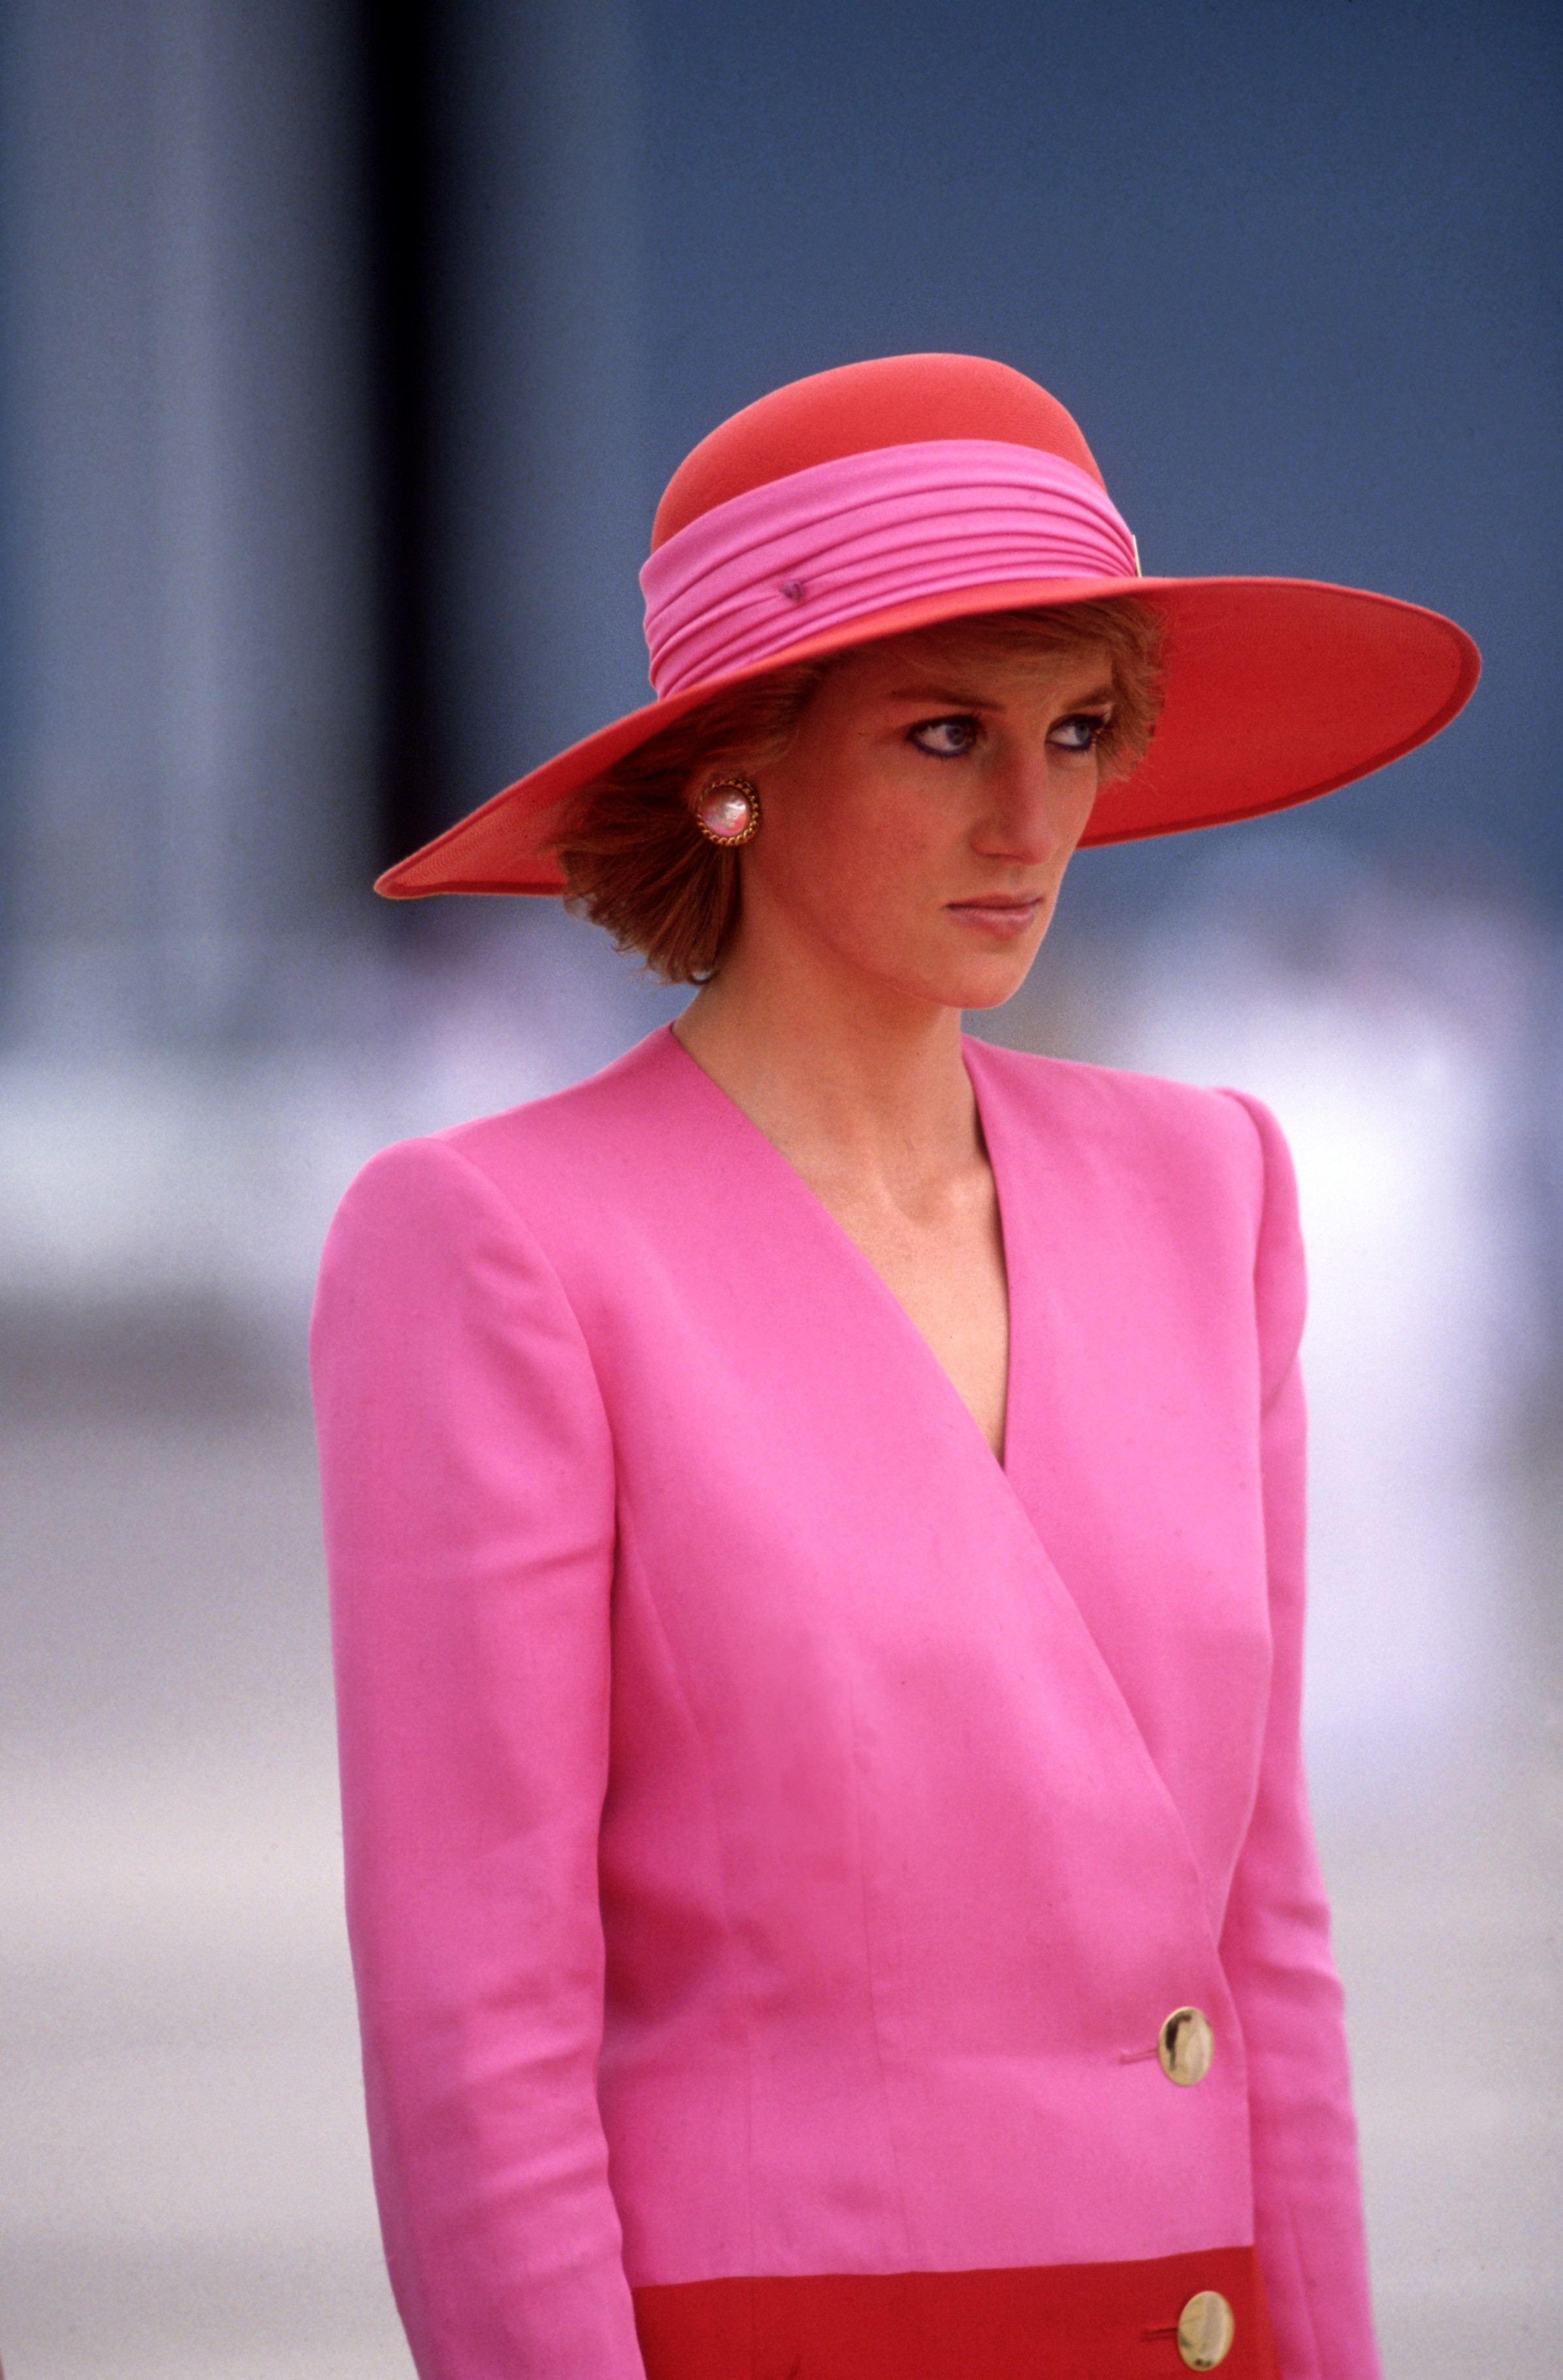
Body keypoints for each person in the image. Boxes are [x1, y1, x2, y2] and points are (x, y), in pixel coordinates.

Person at [311, 354, 1478, 2379]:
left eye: (1075, 730)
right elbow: (471, 2030)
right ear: (729, 764)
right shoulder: (499, 1242)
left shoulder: (1207, 1186)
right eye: (945, 735)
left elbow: (1259, 1937)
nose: (1033, 816)